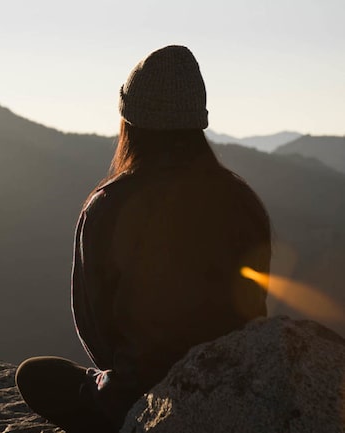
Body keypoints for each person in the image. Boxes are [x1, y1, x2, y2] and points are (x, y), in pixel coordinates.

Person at [15, 45, 271, 433]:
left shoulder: (108, 206)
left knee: (36, 375)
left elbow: (96, 329)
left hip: (140, 400)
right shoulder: (241, 202)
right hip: (233, 389)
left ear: (129, 122)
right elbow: (253, 312)